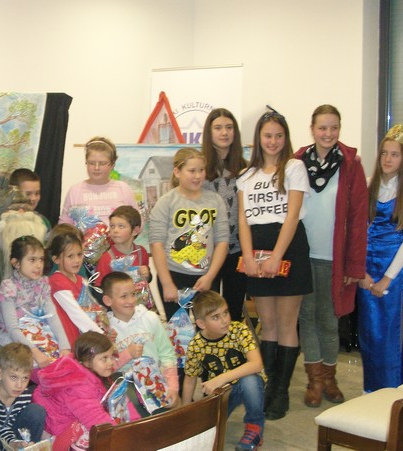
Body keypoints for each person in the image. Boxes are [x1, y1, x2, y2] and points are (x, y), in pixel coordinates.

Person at [236, 111, 312, 420]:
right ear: (259, 138)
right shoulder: (246, 174)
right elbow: (243, 220)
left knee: (286, 323)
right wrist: (248, 256)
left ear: (286, 138)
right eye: (268, 135)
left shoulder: (294, 167)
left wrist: (277, 256)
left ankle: (281, 391)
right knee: (267, 325)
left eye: (279, 135)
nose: (273, 141)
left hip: (288, 247)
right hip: (256, 249)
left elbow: (292, 215)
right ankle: (267, 386)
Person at [294, 105, 368, 407]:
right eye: (322, 127)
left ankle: (330, 378)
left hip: (333, 257)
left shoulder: (351, 164)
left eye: (334, 127)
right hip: (302, 254)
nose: (328, 133)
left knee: (329, 318)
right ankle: (314, 380)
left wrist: (354, 264)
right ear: (312, 129)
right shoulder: (296, 162)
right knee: (307, 317)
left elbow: (359, 217)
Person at [357, 124, 403, 392]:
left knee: (394, 336)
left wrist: (387, 278)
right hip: (367, 270)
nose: (387, 159)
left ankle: (392, 394)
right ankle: (369, 391)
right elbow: (357, 231)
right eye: (384, 153)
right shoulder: (368, 186)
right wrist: (360, 272)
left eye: (394, 154)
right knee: (370, 333)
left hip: (396, 274)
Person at [149, 147, 229, 322]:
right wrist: (167, 283)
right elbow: (156, 244)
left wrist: (210, 276)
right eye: (192, 171)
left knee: (209, 329)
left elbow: (222, 241)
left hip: (206, 277)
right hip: (173, 276)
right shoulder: (166, 202)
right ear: (177, 172)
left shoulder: (215, 201)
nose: (198, 176)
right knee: (179, 332)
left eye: (201, 170)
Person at [182, 291, 264, 451]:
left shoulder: (239, 330)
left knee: (250, 381)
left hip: (246, 386)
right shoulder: (196, 345)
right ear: (201, 324)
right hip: (219, 393)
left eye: (225, 313)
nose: (224, 320)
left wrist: (221, 378)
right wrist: (185, 412)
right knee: (203, 431)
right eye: (216, 317)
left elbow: (256, 364)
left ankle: (255, 428)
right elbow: (189, 379)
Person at [33, 331, 140, 450]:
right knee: (98, 435)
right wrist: (128, 439)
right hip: (60, 433)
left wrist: (136, 426)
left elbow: (121, 401)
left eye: (111, 356)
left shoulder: (97, 373)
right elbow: (97, 422)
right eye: (104, 358)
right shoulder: (76, 385)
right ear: (86, 361)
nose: (111, 362)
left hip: (78, 421)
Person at [101, 271, 179, 410]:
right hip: (125, 385)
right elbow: (103, 368)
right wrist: (128, 354)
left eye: (133, 294)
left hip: (156, 380)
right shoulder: (105, 329)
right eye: (124, 296)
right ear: (108, 300)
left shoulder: (150, 318)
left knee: (174, 406)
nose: (131, 301)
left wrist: (173, 387)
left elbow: (167, 354)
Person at [0, 235, 71, 368]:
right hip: (18, 341)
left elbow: (53, 317)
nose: (39, 265)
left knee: (65, 363)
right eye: (32, 260)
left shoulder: (42, 284)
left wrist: (64, 346)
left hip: (41, 334)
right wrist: (35, 352)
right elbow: (12, 329)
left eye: (41, 259)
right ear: (16, 263)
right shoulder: (8, 288)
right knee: (41, 367)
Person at [202, 108, 248, 321]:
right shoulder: (200, 168)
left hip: (237, 250)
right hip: (206, 251)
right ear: (209, 132)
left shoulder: (246, 169)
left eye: (229, 127)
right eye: (218, 128)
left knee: (234, 311)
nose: (224, 133)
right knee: (207, 311)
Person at [59, 136, 139, 225]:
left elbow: (138, 222)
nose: (96, 168)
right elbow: (64, 225)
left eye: (102, 163)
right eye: (91, 163)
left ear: (112, 165)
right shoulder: (75, 191)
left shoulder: (123, 188)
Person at [47, 229, 104, 347]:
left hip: (86, 335)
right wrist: (101, 336)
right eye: (70, 256)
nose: (77, 260)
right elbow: (76, 314)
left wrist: (104, 326)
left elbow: (92, 308)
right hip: (69, 340)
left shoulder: (81, 280)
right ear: (56, 259)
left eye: (79, 254)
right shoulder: (57, 282)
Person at [95, 206, 152, 297]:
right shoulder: (106, 258)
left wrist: (147, 275)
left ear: (135, 231)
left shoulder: (142, 252)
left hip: (141, 302)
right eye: (112, 226)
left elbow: (146, 279)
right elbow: (99, 289)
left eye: (121, 226)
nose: (115, 230)